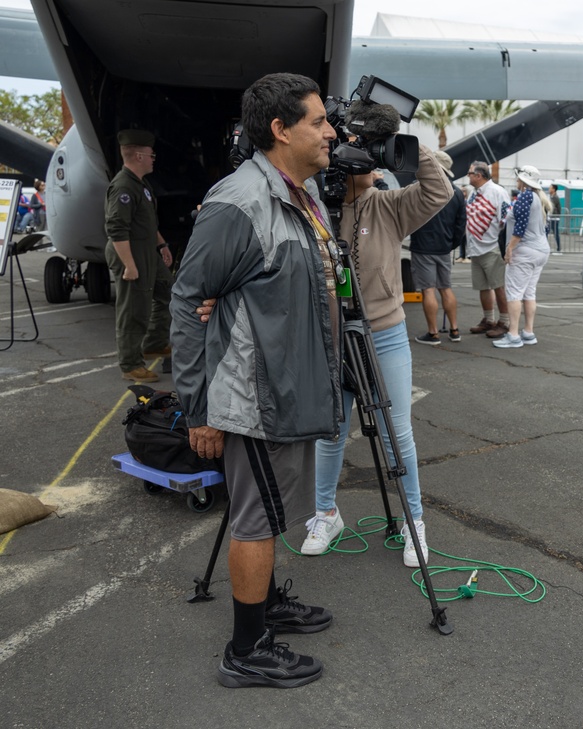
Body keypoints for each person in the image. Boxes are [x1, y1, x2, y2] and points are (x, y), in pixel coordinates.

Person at [170, 72, 343, 689]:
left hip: (287, 385)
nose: (330, 131)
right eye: (319, 121)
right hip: (255, 397)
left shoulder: (300, 194)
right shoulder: (239, 201)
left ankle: (266, 604)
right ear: (280, 129)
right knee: (256, 519)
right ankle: (247, 649)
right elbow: (189, 300)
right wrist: (198, 409)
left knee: (271, 512)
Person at [300, 139, 452, 563]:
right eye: (359, 155)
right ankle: (326, 513)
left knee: (396, 431)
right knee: (330, 432)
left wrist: (404, 144)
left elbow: (439, 191)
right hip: (329, 335)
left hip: (383, 333)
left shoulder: (387, 205)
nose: (370, 162)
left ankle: (413, 521)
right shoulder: (313, 206)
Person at [104, 129, 173, 383]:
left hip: (146, 252)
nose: (154, 158)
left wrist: (162, 245)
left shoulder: (140, 184)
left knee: (168, 292)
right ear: (138, 156)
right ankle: (130, 364)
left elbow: (146, 222)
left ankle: (154, 342)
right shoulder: (123, 187)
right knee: (133, 308)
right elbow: (116, 228)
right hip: (129, 253)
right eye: (151, 154)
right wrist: (129, 265)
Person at [409, 150, 467, 345]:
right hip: (444, 247)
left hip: (423, 246)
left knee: (428, 289)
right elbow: (461, 224)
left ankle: (433, 333)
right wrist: (452, 244)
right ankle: (454, 329)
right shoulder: (457, 192)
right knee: (445, 288)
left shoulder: (420, 188)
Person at [493, 165, 551, 349]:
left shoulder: (525, 196)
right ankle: (528, 332)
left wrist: (509, 249)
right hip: (540, 250)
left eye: (518, 178)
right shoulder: (539, 198)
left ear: (523, 180)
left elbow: (520, 226)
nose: (516, 181)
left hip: (525, 250)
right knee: (529, 292)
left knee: (515, 292)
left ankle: (513, 335)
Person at [465, 160, 510, 338]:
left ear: (479, 175)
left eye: (470, 173)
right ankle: (488, 319)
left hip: (492, 247)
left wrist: (506, 247)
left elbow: (506, 219)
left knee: (498, 286)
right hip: (475, 247)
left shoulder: (498, 192)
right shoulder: (473, 193)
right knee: (483, 287)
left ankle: (505, 321)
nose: (468, 176)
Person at [548, 184, 562, 254]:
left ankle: (559, 248)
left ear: (553, 189)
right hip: (552, 218)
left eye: (550, 188)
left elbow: (552, 207)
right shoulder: (552, 197)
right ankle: (558, 248)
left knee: (555, 233)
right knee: (547, 232)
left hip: (554, 218)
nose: (549, 189)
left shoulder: (555, 198)